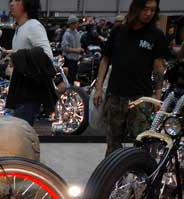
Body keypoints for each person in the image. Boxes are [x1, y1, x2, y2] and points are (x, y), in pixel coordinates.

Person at [93, 0, 168, 157]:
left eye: (153, 10)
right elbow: (105, 60)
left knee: (142, 144)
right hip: (115, 95)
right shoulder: (118, 31)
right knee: (113, 143)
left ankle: (139, 172)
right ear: (136, 8)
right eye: (145, 9)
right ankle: (113, 172)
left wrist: (157, 98)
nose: (149, 13)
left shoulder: (156, 35)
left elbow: (158, 68)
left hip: (141, 99)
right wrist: (98, 88)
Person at [5, 0, 56, 126]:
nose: (12, 3)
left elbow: (47, 56)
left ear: (27, 4)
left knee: (22, 131)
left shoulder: (33, 26)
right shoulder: (20, 28)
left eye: (17, 0)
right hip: (20, 88)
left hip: (29, 90)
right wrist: (12, 53)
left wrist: (17, 56)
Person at [61, 15, 83, 84]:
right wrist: (76, 50)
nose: (77, 25)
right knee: (69, 78)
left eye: (77, 23)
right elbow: (64, 47)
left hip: (75, 59)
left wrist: (80, 50)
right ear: (71, 24)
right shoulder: (67, 34)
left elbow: (78, 44)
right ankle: (68, 89)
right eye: (75, 23)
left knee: (73, 76)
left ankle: (72, 88)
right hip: (69, 59)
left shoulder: (77, 33)